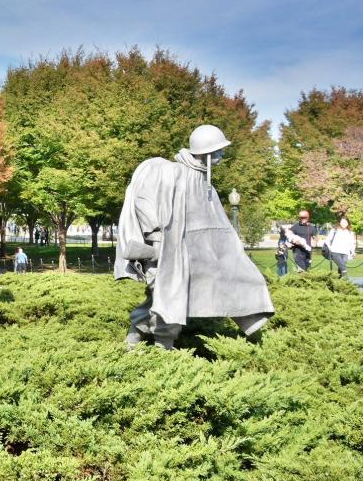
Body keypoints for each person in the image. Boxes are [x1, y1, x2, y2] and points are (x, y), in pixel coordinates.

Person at [114, 125, 273, 349]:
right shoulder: (170, 173)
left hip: (191, 256)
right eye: (217, 152)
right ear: (205, 152)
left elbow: (214, 226)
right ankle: (161, 347)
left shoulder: (206, 184)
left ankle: (135, 339)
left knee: (165, 298)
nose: (221, 156)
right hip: (163, 252)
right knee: (168, 296)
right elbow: (144, 202)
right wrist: (157, 240)